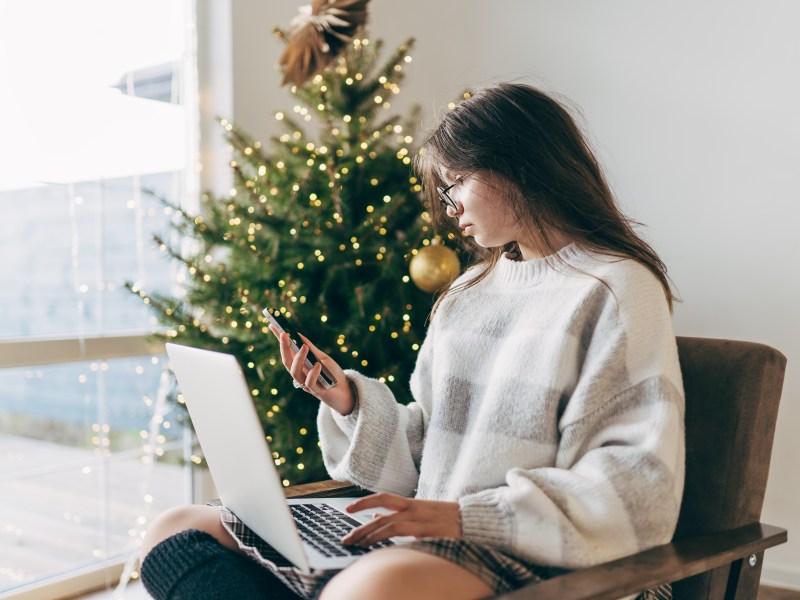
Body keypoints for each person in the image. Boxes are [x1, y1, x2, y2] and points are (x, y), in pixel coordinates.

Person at [139, 82, 685, 600]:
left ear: (520, 166)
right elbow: (428, 454)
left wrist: (466, 517)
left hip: (532, 553)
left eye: (456, 183)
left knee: (363, 589)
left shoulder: (615, 288)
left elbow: (639, 485)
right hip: (432, 535)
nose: (449, 208)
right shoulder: (470, 292)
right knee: (179, 529)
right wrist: (350, 403)